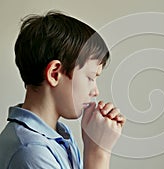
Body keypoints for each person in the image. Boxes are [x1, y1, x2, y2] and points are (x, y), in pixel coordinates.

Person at [0, 11, 126, 169]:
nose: (95, 91)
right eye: (90, 77)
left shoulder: (59, 135)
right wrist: (99, 153)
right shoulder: (31, 152)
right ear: (54, 74)